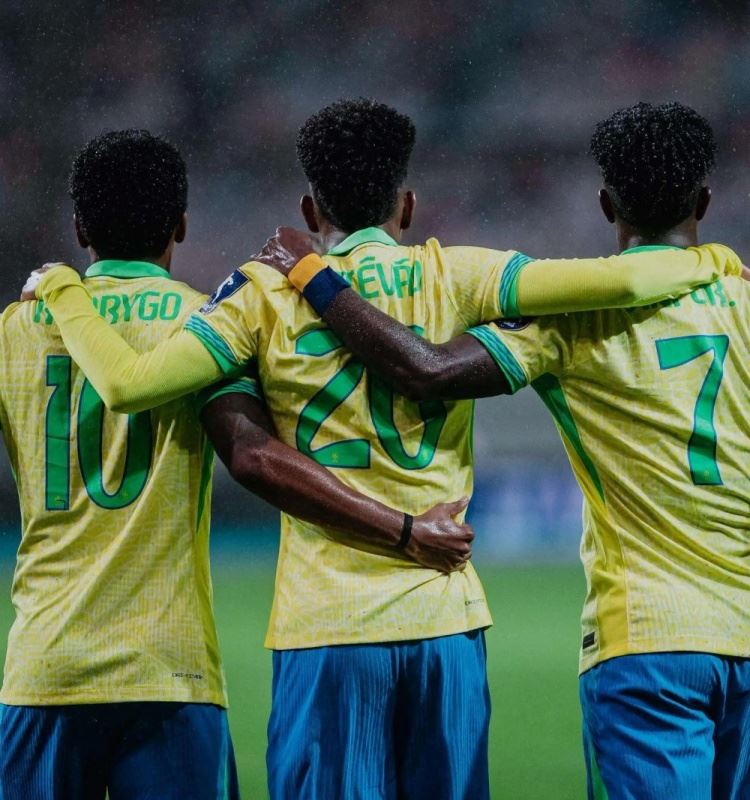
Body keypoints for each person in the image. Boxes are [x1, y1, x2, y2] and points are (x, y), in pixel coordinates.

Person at [25, 100, 743, 799]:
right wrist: (710, 259)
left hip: (325, 621)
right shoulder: (461, 275)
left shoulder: (260, 293)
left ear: (309, 211)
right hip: (445, 616)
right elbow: (620, 278)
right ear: (407, 205)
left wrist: (62, 286)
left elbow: (156, 395)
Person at [257, 102, 750, 799]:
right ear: (704, 201)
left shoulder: (571, 320)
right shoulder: (742, 297)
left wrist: (314, 276)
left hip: (650, 638)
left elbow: (427, 369)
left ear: (606, 203)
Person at [0, 128, 472, 800]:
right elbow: (252, 453)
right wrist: (403, 528)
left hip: (41, 670)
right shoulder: (204, 324)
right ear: (181, 225)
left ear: (79, 229)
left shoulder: (12, 331)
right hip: (170, 670)